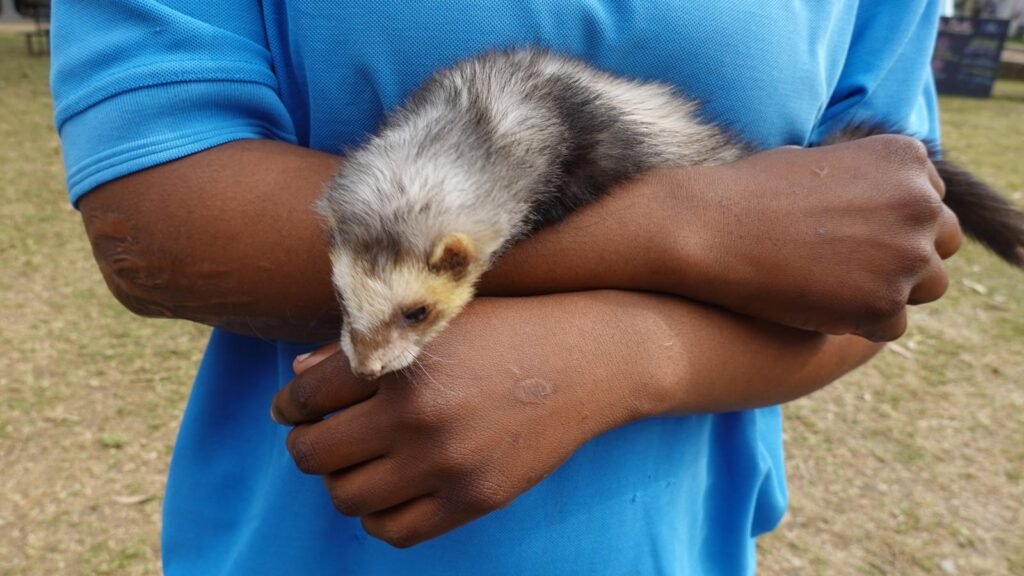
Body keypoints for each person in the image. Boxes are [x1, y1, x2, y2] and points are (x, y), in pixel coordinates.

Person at [51, 1, 960, 574]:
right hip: (291, 547)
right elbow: (153, 210)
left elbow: (876, 260)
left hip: (672, 544)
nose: (380, 358)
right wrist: (690, 233)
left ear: (456, 258)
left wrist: (635, 357)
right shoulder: (439, 203)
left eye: (409, 317)